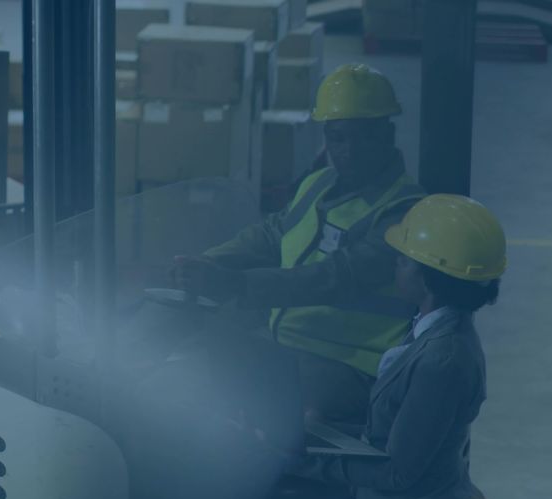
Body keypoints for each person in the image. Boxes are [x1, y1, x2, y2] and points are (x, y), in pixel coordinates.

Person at [172, 63, 426, 430]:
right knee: (192, 373)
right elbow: (273, 233)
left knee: (230, 411)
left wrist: (235, 284)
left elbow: (335, 277)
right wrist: (207, 261)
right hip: (289, 346)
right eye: (338, 137)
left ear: (387, 134)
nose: (348, 150)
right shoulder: (320, 182)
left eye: (363, 137)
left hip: (349, 366)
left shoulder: (402, 210)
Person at [286, 194, 507, 499]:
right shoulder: (433, 330)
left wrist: (297, 459)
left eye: (404, 259)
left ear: (428, 275)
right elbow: (399, 432)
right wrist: (320, 434)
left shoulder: (443, 360)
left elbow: (397, 470)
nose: (396, 266)